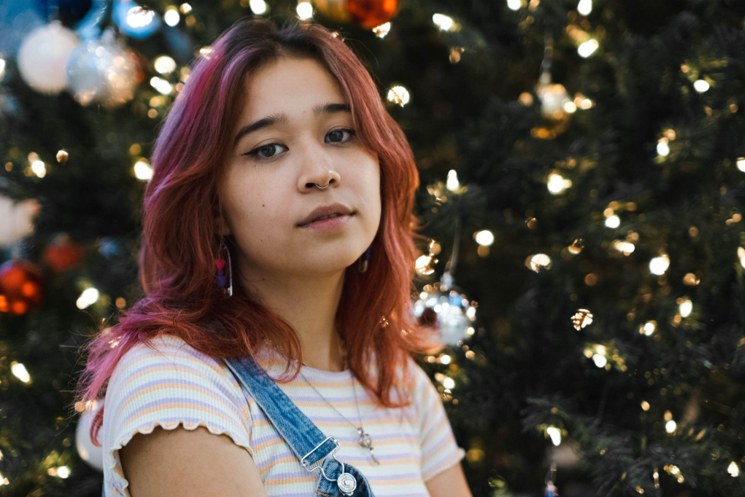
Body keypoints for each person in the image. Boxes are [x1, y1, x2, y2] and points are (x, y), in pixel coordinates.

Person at [73, 16, 471, 497]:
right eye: (268, 149)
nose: (320, 172)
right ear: (214, 207)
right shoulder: (174, 380)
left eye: (340, 134)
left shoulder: (400, 385)